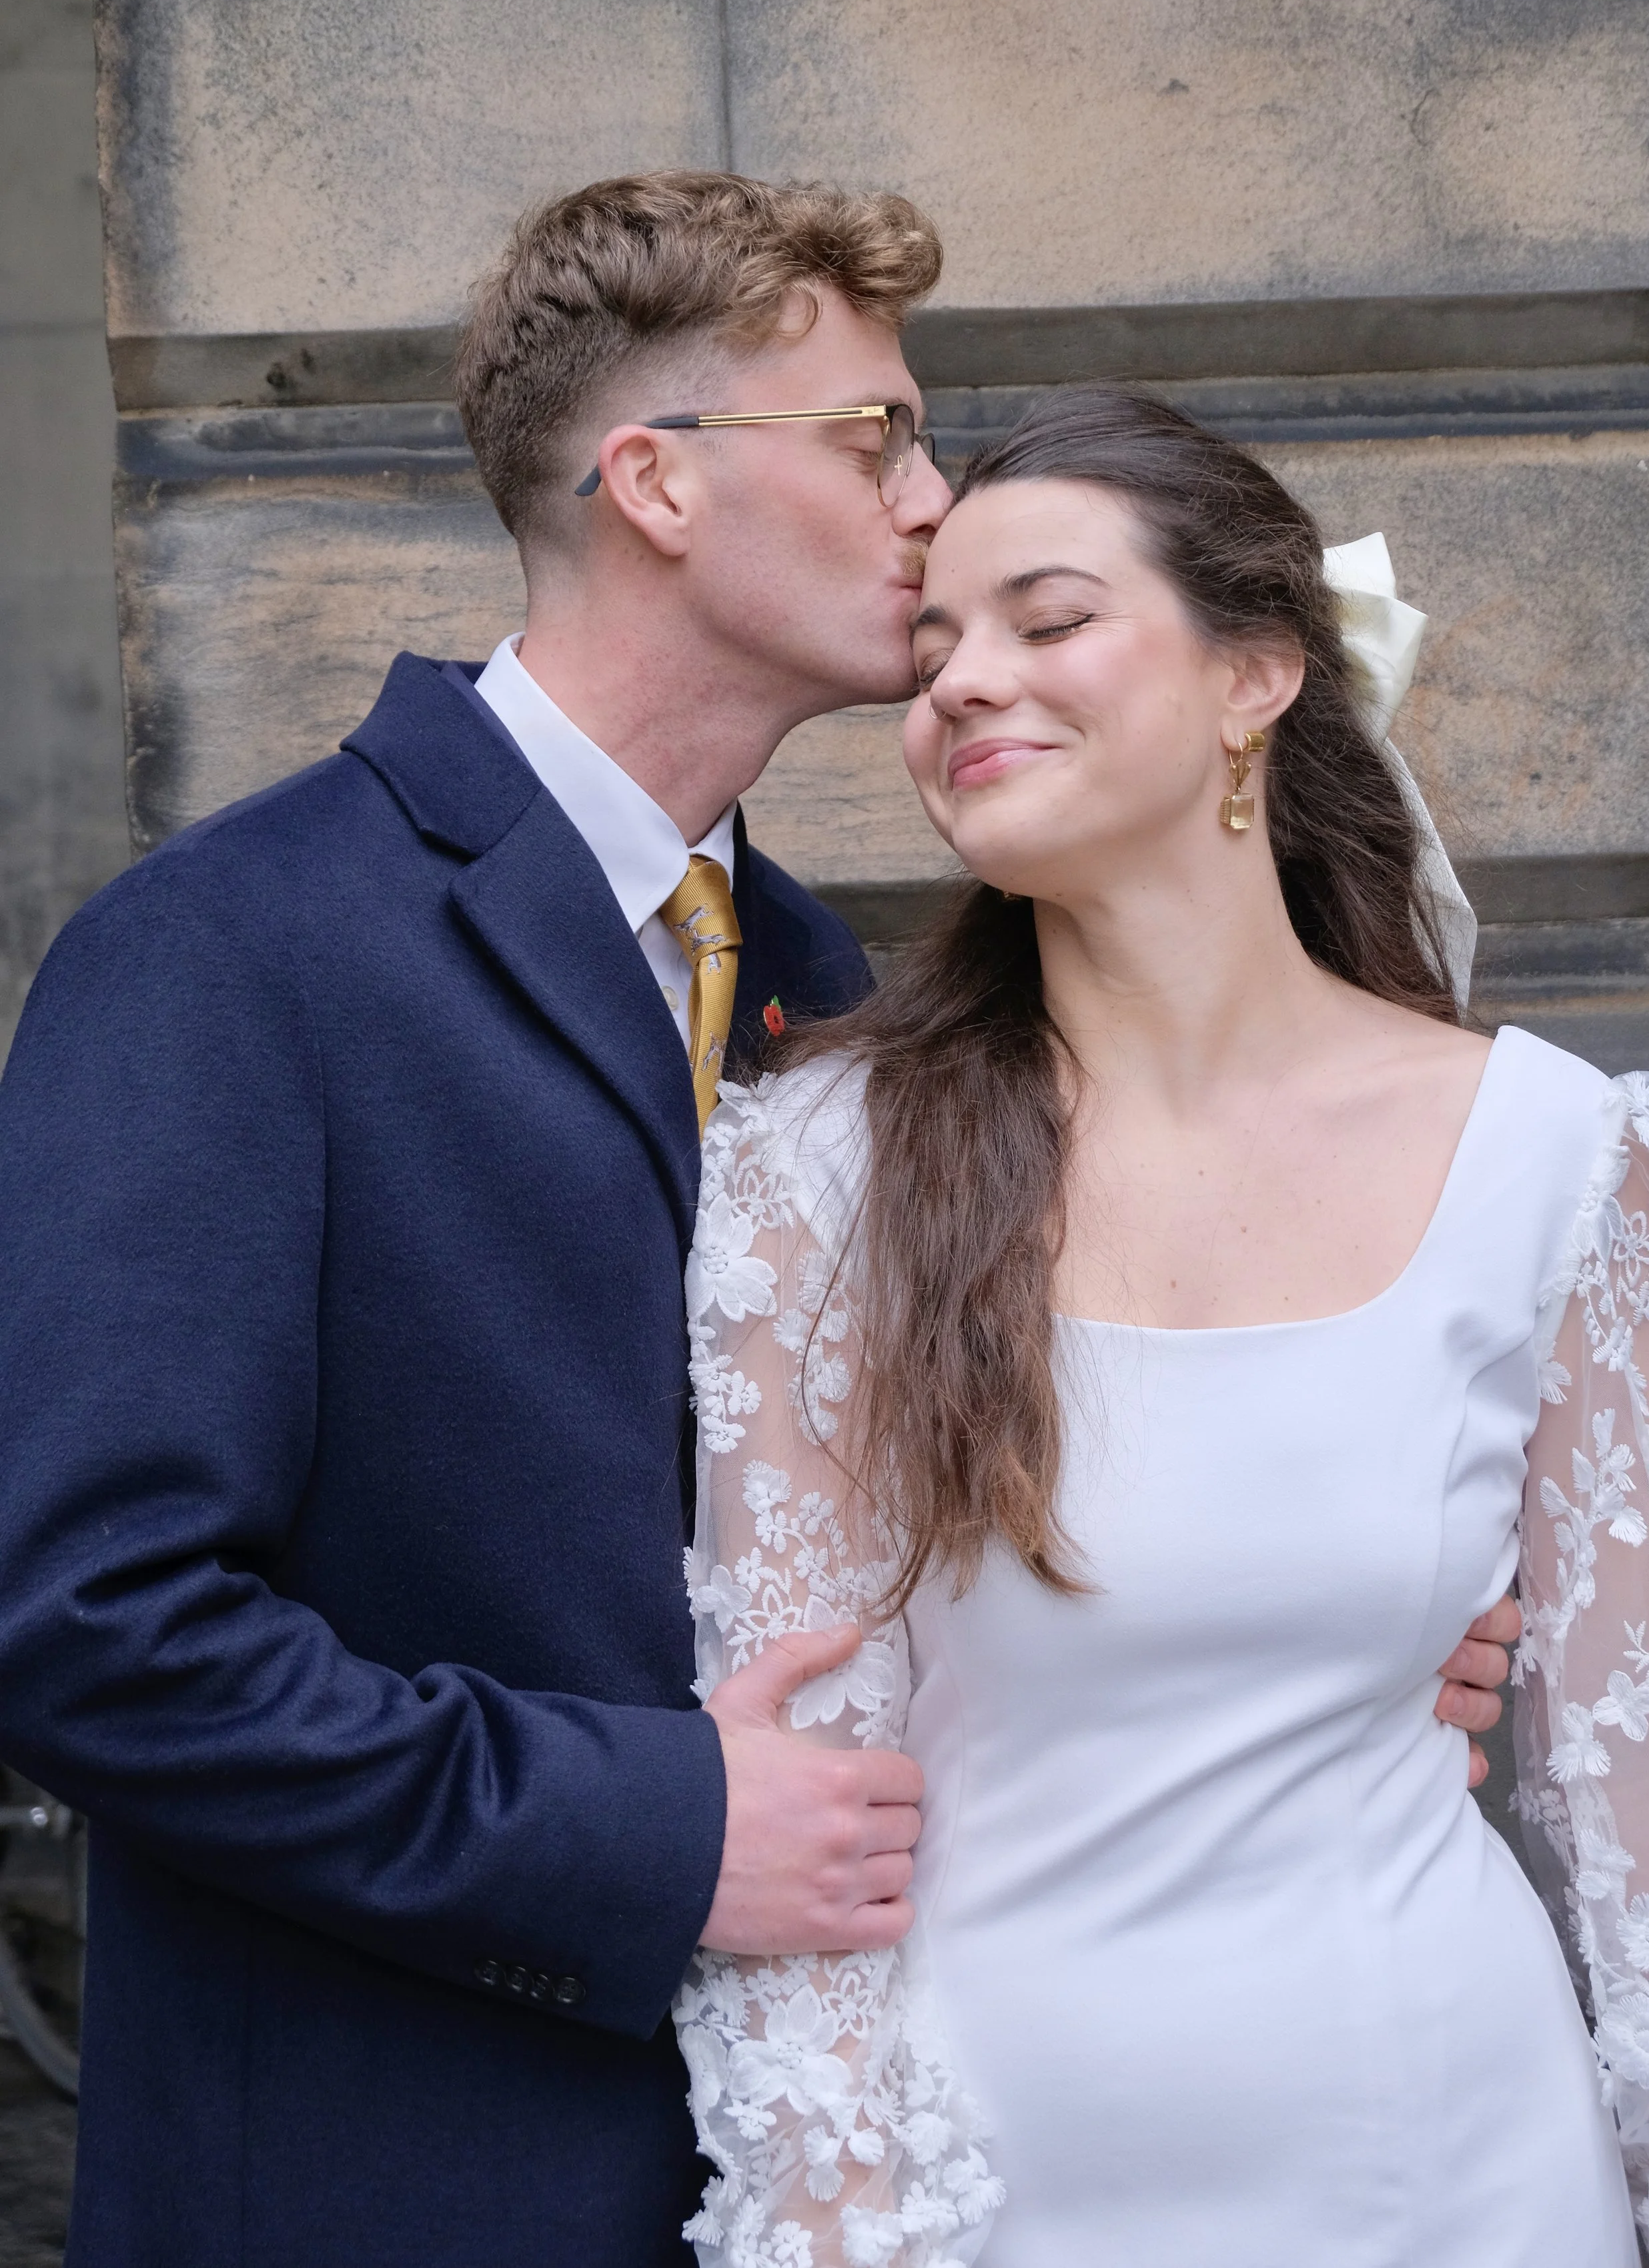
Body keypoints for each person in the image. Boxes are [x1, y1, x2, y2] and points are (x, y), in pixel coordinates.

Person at [0, 179, 1508, 2266]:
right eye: (873, 435)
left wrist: (1327, 1621)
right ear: (657, 484)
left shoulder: (844, 997)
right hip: (393, 2182)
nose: (927, 501)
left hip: (846, 2171)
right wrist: (649, 1829)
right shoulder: (229, 952)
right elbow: (87, 1623)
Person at [677, 384, 1649, 2267]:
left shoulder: (1555, 1158)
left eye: (1044, 622)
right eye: (932, 644)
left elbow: (1648, 1823)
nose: (961, 682)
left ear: (1254, 679)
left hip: (1451, 2166)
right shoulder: (819, 1178)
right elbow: (811, 1823)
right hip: (1009, 2180)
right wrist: (824, 2229)